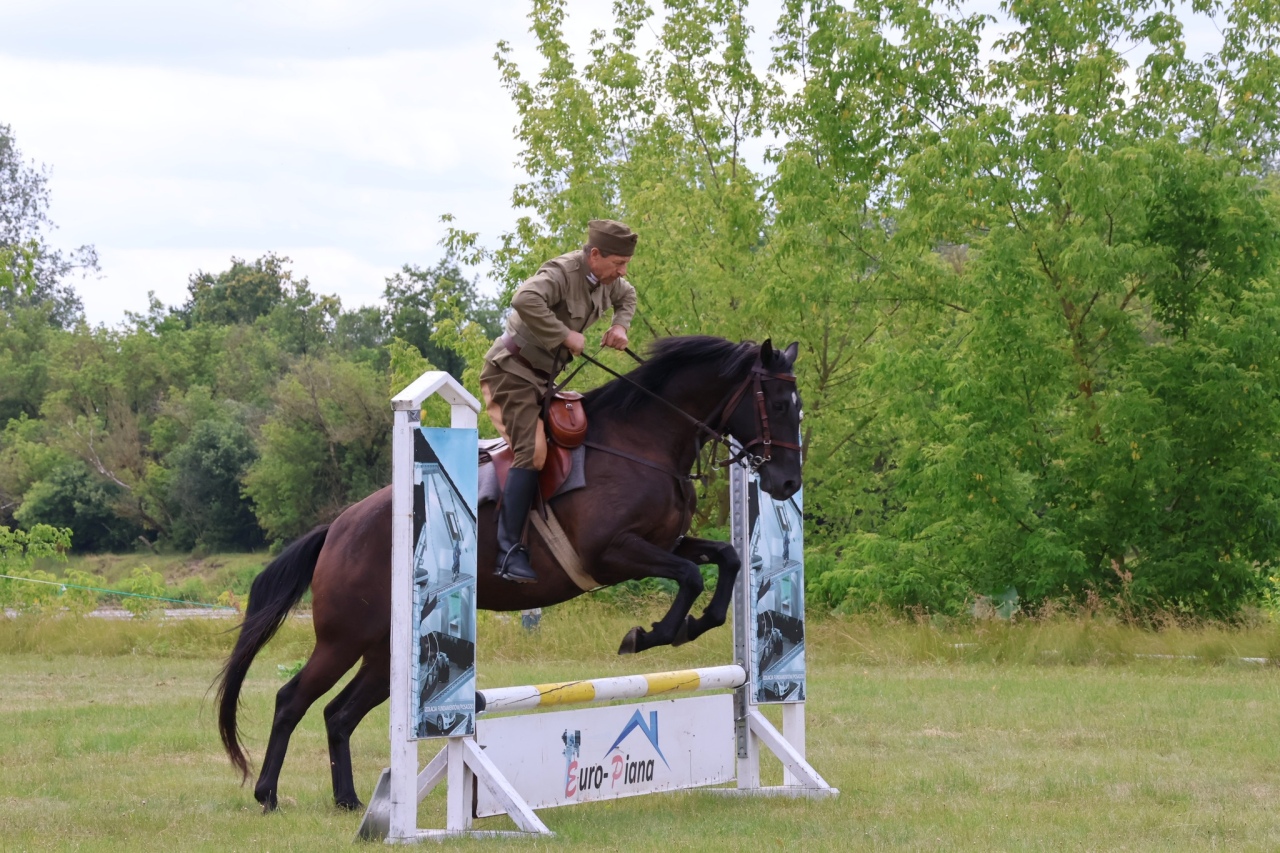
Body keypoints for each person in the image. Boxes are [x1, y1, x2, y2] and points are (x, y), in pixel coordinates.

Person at [479, 219, 639, 583]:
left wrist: (620, 325)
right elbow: (524, 299)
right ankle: (507, 552)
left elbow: (627, 296)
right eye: (618, 263)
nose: (623, 271)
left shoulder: (608, 280)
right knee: (533, 452)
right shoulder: (562, 272)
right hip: (511, 374)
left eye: (626, 264)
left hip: (543, 380)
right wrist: (564, 334)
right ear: (595, 254)